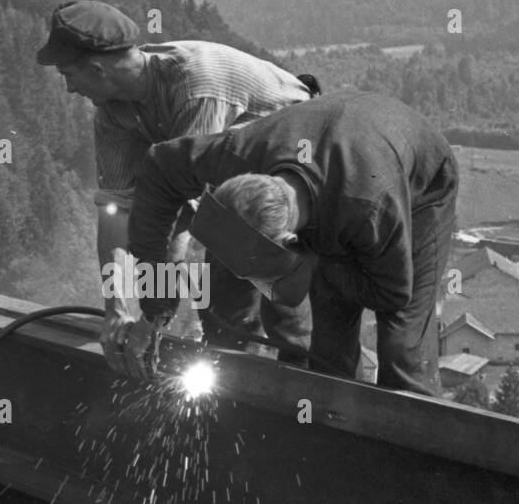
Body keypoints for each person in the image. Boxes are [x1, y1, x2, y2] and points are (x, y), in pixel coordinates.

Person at [113, 90, 458, 397]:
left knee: (402, 351)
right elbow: (158, 167)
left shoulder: (369, 208)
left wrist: (322, 269)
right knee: (327, 355)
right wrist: (154, 306)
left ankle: (417, 452)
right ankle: (329, 441)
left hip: (421, 185)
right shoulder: (235, 155)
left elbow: (393, 293)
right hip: (345, 151)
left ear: (292, 243)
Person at [35, 0, 318, 371]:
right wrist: (117, 307)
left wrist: (154, 317)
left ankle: (319, 397)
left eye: (68, 75)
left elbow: (180, 210)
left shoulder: (196, 85)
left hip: (295, 177)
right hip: (228, 188)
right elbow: (115, 210)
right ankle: (236, 394)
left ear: (98, 68)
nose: (70, 89)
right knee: (221, 314)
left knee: (282, 314)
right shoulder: (113, 112)